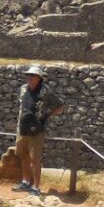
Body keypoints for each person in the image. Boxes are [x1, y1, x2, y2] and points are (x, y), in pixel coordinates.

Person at [14, 65, 65, 195]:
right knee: (24, 156)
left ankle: (36, 187)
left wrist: (46, 117)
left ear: (39, 78)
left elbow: (60, 106)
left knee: (35, 159)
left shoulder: (45, 91)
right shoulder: (23, 89)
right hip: (23, 128)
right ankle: (26, 182)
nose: (29, 78)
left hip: (37, 130)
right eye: (28, 75)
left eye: (32, 76)